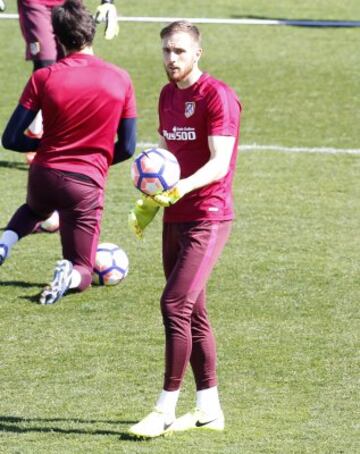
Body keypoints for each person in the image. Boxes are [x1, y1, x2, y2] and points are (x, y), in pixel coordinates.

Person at [128, 20, 241, 438]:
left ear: (197, 54)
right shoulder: (166, 96)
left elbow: (219, 162)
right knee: (192, 311)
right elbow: (167, 156)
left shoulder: (217, 96)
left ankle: (163, 409)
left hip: (208, 216)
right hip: (175, 216)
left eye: (179, 51)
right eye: (166, 51)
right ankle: (209, 409)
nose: (171, 59)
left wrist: (180, 188)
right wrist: (148, 203)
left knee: (173, 305)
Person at [0, 0, 136, 305]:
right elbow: (127, 146)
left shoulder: (43, 78)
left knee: (34, 211)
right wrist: (97, 158)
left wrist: (45, 145)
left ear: (57, 38)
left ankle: (3, 244)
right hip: (85, 184)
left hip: (43, 175)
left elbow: (10, 139)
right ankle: (68, 277)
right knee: (84, 269)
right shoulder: (121, 78)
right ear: (92, 32)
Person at [17, 0, 119, 162]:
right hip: (35, 3)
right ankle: (36, 131)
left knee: (70, 63)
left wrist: (108, 2)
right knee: (46, 64)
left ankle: (68, 132)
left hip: (69, 3)